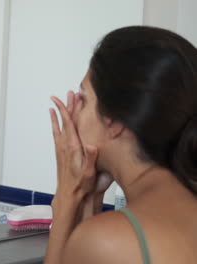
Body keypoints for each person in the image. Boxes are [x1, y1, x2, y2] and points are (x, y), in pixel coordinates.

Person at [45, 26, 197, 264]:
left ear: (115, 121)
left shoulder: (107, 241)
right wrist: (90, 199)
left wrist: (67, 195)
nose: (73, 113)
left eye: (83, 99)